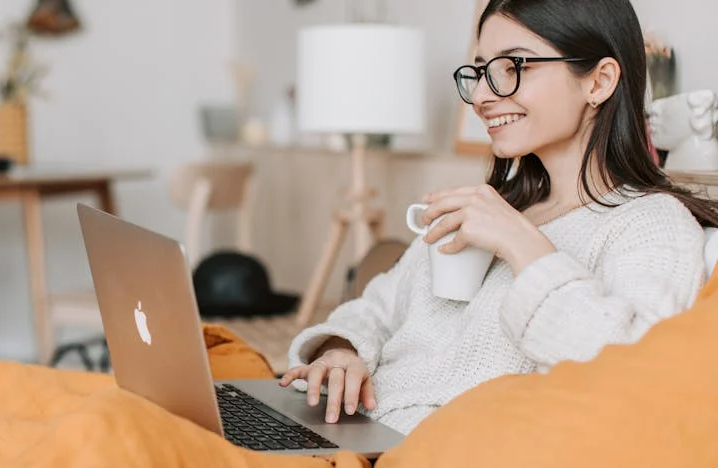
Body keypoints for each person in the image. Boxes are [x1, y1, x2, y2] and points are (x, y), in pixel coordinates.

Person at [280, 0, 718, 436]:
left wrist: (523, 245)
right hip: (351, 426)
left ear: (599, 81)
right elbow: (374, 308)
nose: (484, 96)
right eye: (481, 71)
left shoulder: (649, 223)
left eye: (514, 67)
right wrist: (341, 351)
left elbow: (632, 376)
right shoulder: (493, 204)